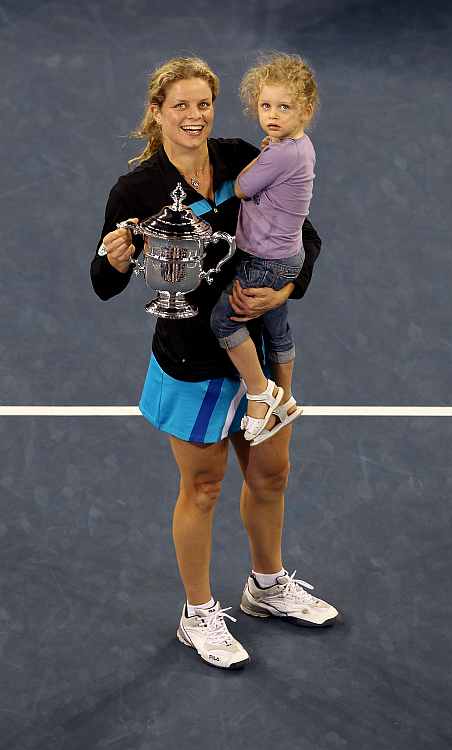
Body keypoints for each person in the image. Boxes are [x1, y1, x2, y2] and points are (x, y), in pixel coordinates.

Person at [91, 56, 341, 671]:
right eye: (180, 104)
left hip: (255, 347)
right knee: (202, 487)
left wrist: (284, 290)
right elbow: (102, 282)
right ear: (157, 112)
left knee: (272, 475)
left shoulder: (238, 157)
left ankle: (266, 585)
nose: (195, 115)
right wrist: (119, 260)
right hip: (191, 360)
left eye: (204, 103)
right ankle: (198, 611)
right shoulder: (137, 191)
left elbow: (303, 235)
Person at [210, 53, 317, 446]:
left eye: (284, 107)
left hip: (265, 261)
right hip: (288, 257)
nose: (272, 114)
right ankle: (285, 400)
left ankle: (261, 395)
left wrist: (257, 160)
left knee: (224, 320)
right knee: (275, 327)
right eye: (266, 105)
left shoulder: (280, 153)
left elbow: (241, 188)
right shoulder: (300, 146)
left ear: (305, 110)